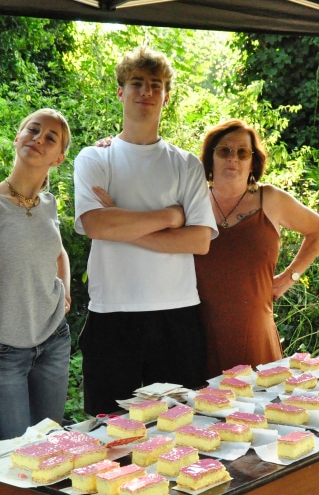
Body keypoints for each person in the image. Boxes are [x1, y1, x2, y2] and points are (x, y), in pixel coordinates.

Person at [74, 46, 218, 416]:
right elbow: (95, 224)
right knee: (109, 430)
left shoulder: (186, 164)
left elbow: (199, 240)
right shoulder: (95, 157)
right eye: (136, 83)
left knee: (180, 427)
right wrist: (170, 216)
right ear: (120, 92)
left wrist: (122, 225)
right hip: (111, 314)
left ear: (166, 97)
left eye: (155, 85)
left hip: (176, 314)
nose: (146, 91)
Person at [0, 108, 72, 440]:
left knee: (51, 444)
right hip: (2, 353)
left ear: (59, 158)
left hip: (53, 342)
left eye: (50, 138)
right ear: (18, 137)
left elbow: (59, 251)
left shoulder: (48, 203)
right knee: (15, 453)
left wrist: (65, 290)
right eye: (32, 130)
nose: (38, 139)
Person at [194, 118, 319, 376]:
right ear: (210, 158)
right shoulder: (193, 200)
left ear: (253, 162)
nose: (232, 158)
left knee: (260, 399)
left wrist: (289, 277)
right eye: (224, 150)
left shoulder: (270, 199)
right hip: (198, 335)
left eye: (242, 152)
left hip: (254, 335)